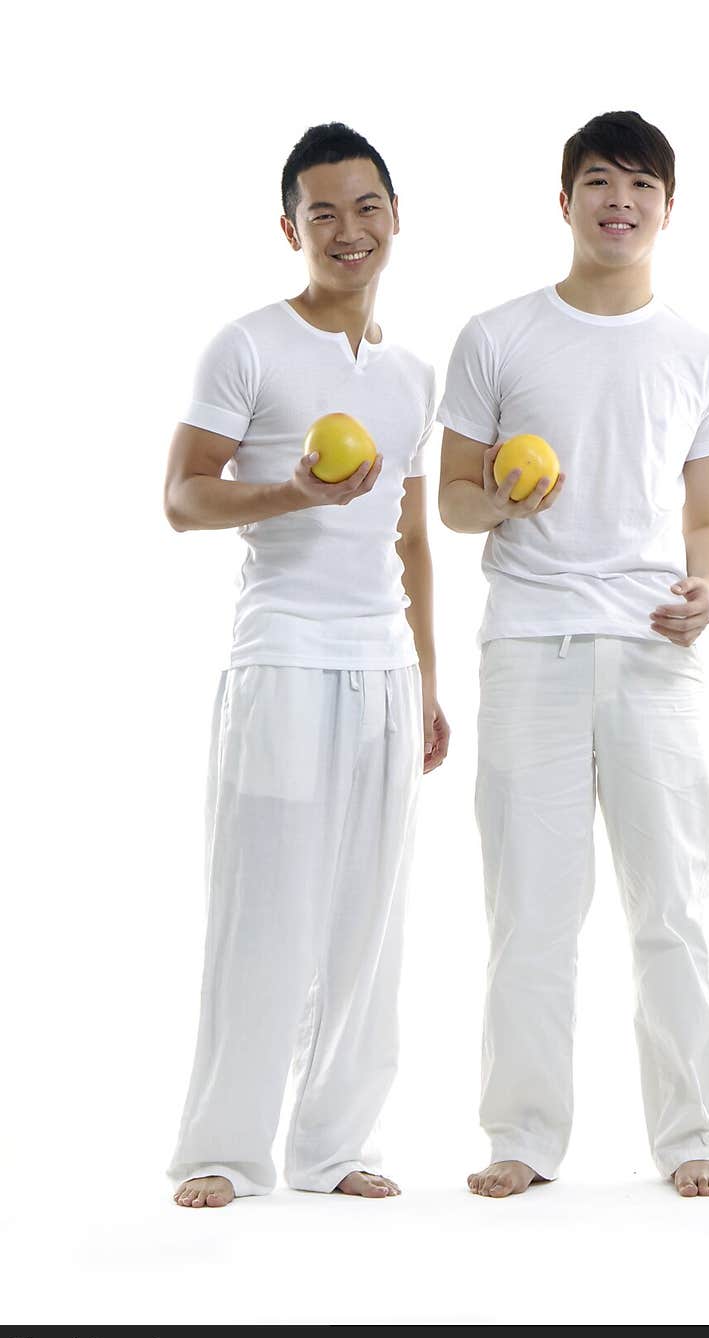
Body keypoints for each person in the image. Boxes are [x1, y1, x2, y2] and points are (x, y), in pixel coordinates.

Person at [437, 110, 709, 1200]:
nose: (620, 201)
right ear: (562, 198)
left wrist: (708, 586)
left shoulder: (697, 352)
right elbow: (453, 503)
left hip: (657, 655)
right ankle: (519, 1137)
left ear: (667, 209)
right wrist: (504, 497)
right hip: (530, 646)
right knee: (530, 910)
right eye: (600, 182)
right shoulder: (497, 335)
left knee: (672, 905)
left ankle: (692, 1136)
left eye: (641, 186)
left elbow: (708, 518)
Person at [164, 122, 448, 1207]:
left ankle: (335, 1147)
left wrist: (425, 681)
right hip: (280, 658)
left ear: (394, 219)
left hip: (379, 665)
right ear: (290, 227)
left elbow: (412, 537)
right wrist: (291, 490)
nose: (347, 229)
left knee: (366, 916)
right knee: (265, 903)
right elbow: (183, 496)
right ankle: (224, 1151)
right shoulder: (246, 346)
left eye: (366, 206)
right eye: (322, 211)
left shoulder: (414, 375)